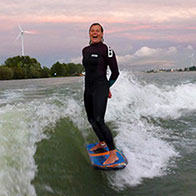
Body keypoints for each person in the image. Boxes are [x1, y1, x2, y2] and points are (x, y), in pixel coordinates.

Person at [82, 23, 120, 165]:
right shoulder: (85, 50)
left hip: (100, 88)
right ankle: (102, 142)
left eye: (97, 30)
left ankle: (113, 153)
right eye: (92, 31)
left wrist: (107, 87)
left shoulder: (107, 50)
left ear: (102, 34)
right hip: (88, 89)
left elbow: (115, 72)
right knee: (91, 119)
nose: (95, 32)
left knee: (99, 119)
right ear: (89, 34)